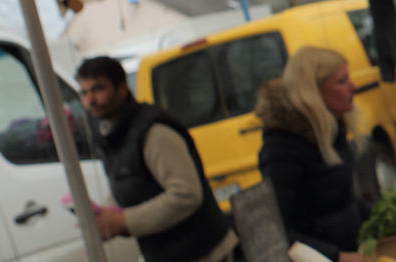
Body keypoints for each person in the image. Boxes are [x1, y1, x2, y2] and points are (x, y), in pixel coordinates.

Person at [76, 57, 237, 262]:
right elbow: (129, 183)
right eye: (84, 93)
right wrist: (107, 214)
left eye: (98, 89)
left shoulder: (153, 131)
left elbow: (187, 194)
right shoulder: (111, 134)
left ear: (122, 88)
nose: (90, 100)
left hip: (204, 252)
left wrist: (124, 220)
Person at [255, 47, 367, 262]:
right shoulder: (282, 149)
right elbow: (276, 231)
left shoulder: (333, 129)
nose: (354, 87)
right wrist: (337, 257)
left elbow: (342, 201)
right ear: (313, 92)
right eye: (342, 81)